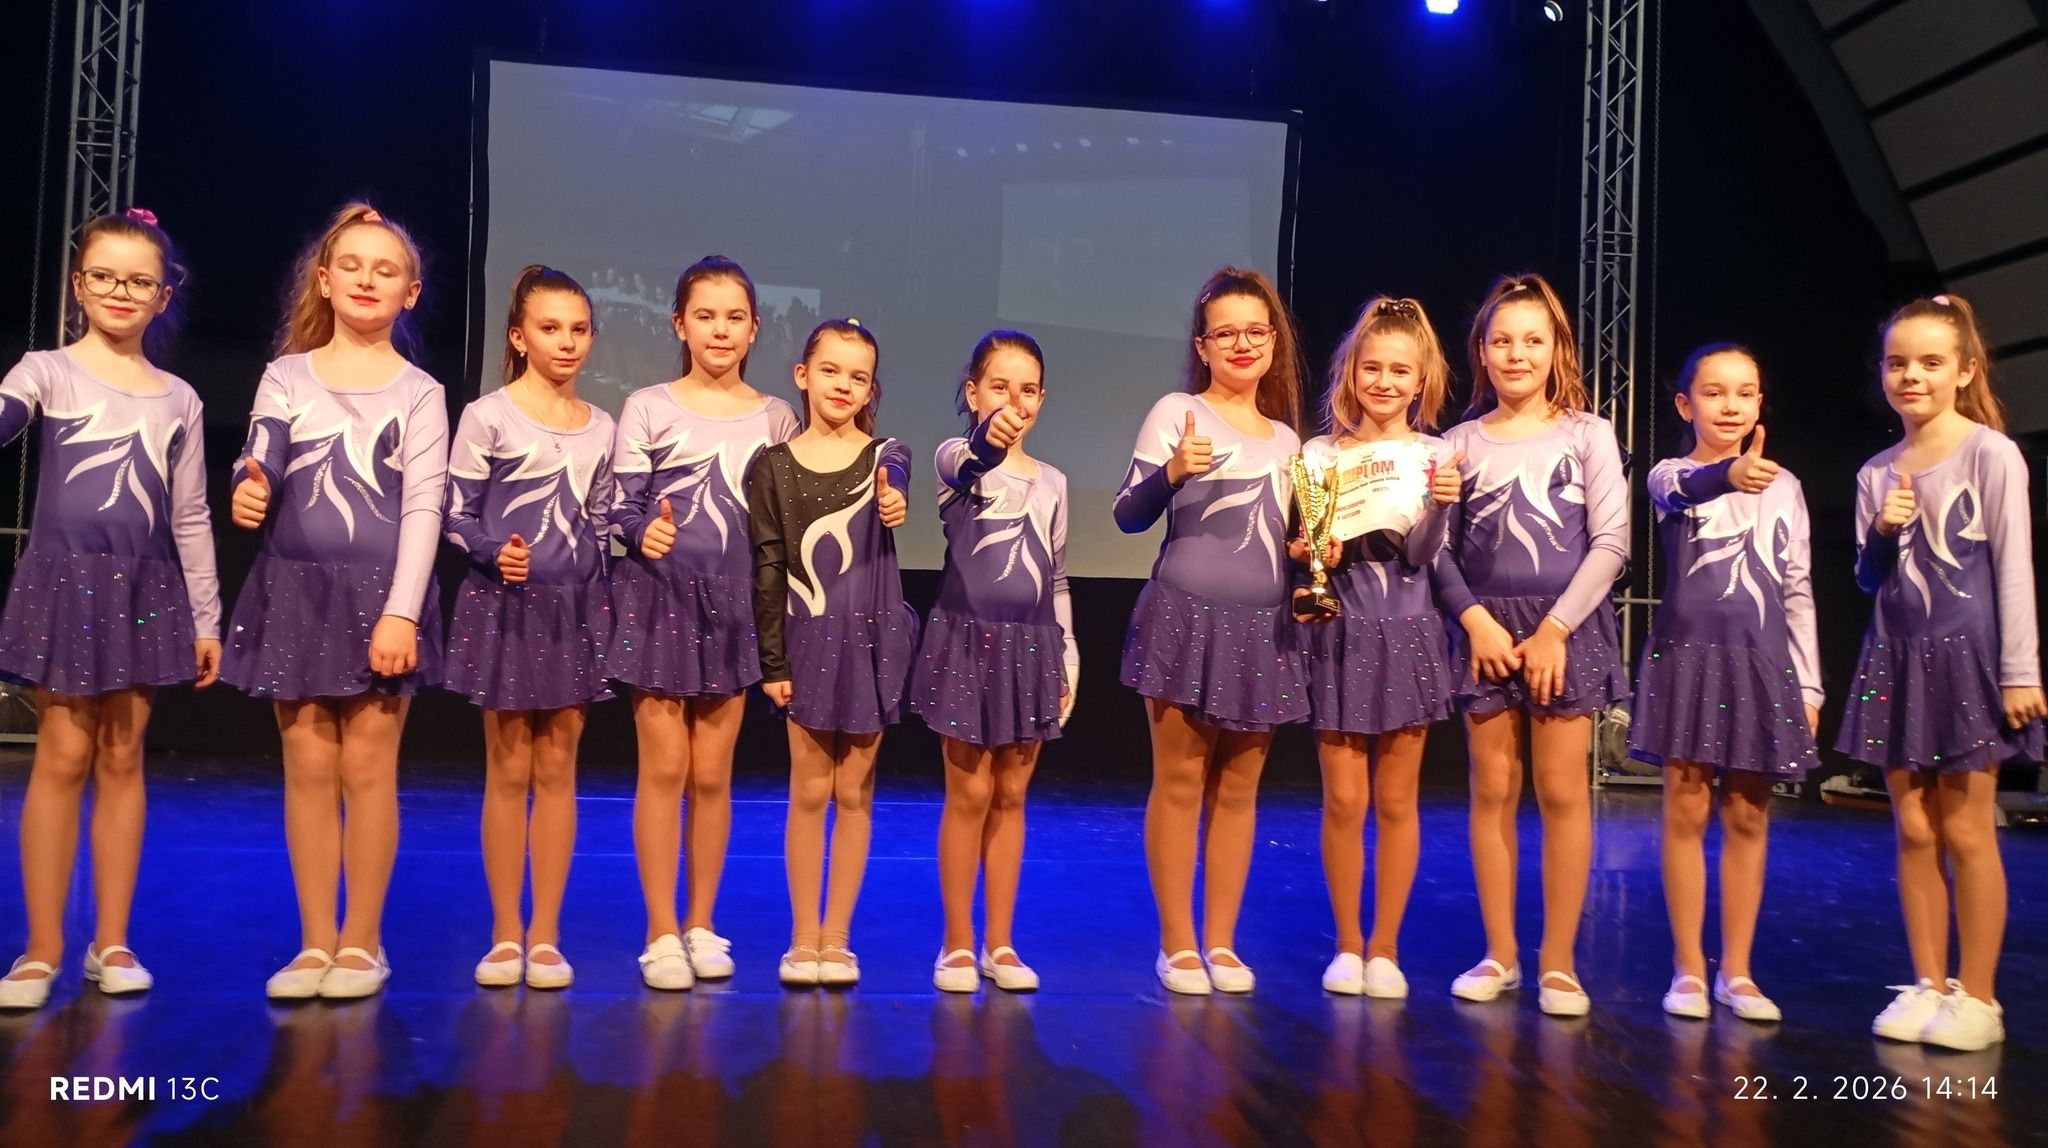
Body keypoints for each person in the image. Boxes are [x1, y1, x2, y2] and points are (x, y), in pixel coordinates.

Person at [223, 203, 448, 1002]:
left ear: (410, 292)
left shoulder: (420, 392)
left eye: (385, 270)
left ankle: (363, 941)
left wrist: (403, 610)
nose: (365, 279)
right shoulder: (287, 376)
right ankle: (315, 940)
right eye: (351, 265)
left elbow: (424, 505)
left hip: (380, 596)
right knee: (309, 770)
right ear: (323, 278)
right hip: (295, 590)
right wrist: (248, 485)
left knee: (367, 770)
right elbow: (261, 451)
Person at [0, 210, 220, 1010]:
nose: (120, 291)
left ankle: (113, 940)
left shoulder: (179, 398)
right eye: (104, 276)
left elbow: (190, 515)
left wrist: (206, 617)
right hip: (64, 583)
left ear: (164, 296)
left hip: (144, 591)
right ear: (78, 284)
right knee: (61, 755)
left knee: (123, 758)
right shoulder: (46, 372)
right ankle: (41, 949)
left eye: (138, 281)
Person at [1846, 295, 2042, 1052]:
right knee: (1915, 826)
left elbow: (2014, 567)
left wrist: (2020, 671)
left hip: (1969, 660)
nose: (1912, 376)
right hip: (1895, 659)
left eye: (1931, 363)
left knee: (1966, 826)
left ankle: (1980, 996)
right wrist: (1881, 530)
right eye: (1898, 363)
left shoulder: (1990, 454)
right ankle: (1928, 983)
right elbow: (1868, 579)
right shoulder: (1875, 472)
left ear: (1963, 370)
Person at [1114, 267, 1308, 995]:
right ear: (1202, 345)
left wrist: (1308, 552)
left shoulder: (1288, 440)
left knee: (1239, 789)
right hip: (1185, 618)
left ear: (1273, 341)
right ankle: (1178, 944)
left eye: (1256, 331)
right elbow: (1128, 515)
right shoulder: (1179, 412)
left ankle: (1222, 942)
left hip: (1264, 628)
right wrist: (1171, 472)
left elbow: (1291, 540)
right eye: (1226, 333)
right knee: (1181, 780)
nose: (1242, 343)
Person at [1629, 344, 1819, 1024]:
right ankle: (1688, 967)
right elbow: (1684, 491)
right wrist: (1729, 475)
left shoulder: (1787, 487)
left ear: (1760, 402)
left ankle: (1737, 971)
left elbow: (1797, 588)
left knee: (1747, 813)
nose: (1731, 405)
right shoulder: (1671, 474)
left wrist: (1811, 687)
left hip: (1761, 665)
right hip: (1688, 661)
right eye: (1714, 392)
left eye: (1745, 392)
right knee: (1685, 809)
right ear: (1686, 404)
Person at [445, 265, 616, 990]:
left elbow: (602, 521)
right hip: (506, 607)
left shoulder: (603, 426)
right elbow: (455, 512)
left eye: (578, 329)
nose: (566, 342)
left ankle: (546, 933)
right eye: (550, 328)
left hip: (575, 610)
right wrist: (494, 551)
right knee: (509, 769)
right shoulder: (489, 416)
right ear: (519, 337)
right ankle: (504, 932)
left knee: (558, 769)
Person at [748, 319, 916, 989]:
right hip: (807, 640)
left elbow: (897, 479)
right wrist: (772, 660)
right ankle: (803, 937)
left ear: (871, 389)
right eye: (831, 370)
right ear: (803, 375)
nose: (843, 385)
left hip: (871, 640)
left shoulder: (885, 455)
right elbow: (768, 565)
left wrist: (893, 497)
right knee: (810, 789)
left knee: (853, 790)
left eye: (858, 376)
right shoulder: (773, 466)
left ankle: (838, 939)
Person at [911, 330, 1076, 994]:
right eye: (1000, 387)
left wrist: (1067, 652)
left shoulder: (1054, 482)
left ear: (1043, 398)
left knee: (1010, 795)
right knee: (970, 793)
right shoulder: (956, 461)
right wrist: (988, 438)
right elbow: (968, 460)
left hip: (1031, 647)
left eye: (1028, 389)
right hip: (966, 641)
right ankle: (956, 941)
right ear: (973, 392)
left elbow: (1057, 578)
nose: (1015, 401)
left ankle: (1000, 943)